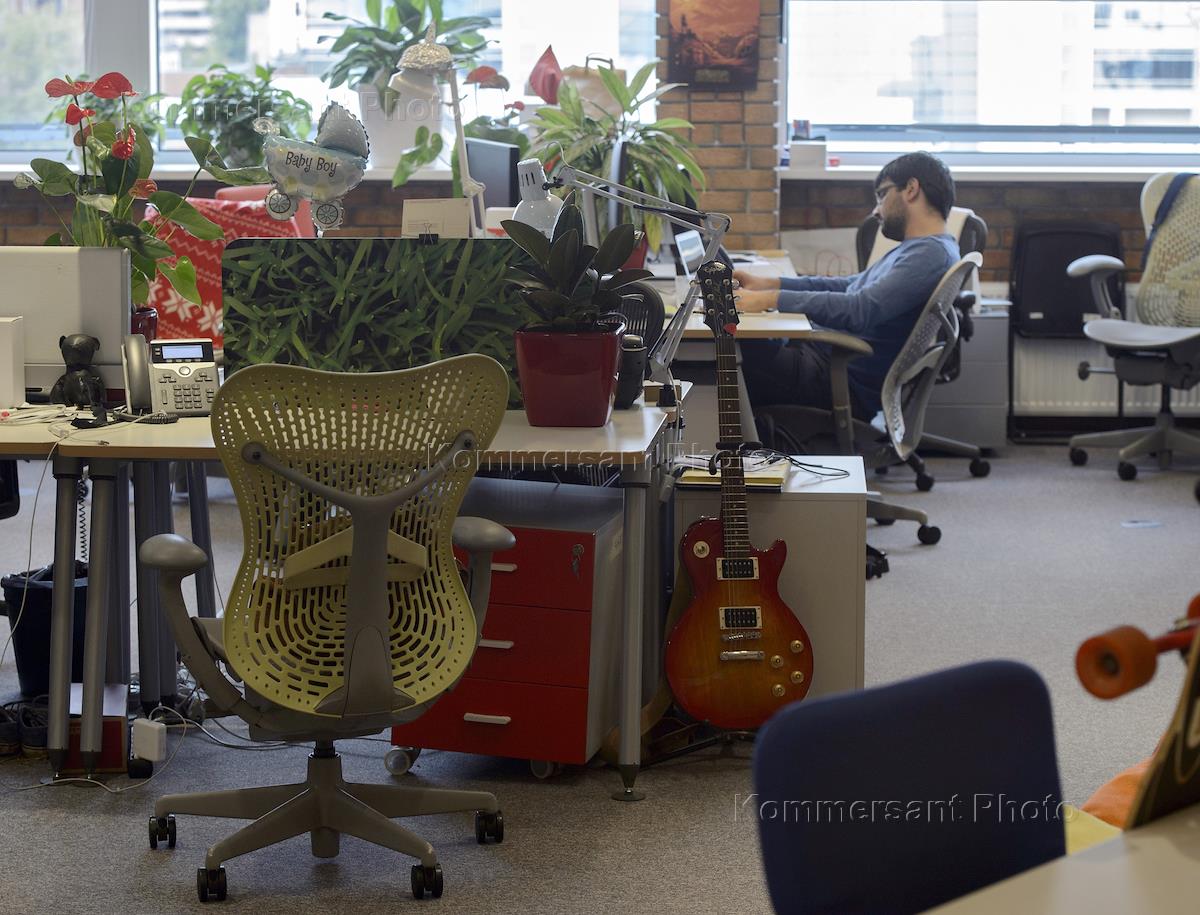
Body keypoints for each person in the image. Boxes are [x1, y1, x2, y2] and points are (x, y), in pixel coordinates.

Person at [735, 151, 960, 419]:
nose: (876, 210)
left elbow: (858, 309)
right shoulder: (918, 249)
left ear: (911, 189)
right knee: (737, 343)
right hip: (824, 362)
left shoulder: (930, 255)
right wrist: (768, 284)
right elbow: (849, 285)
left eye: (882, 195)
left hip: (835, 380)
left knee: (726, 350)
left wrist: (770, 299)